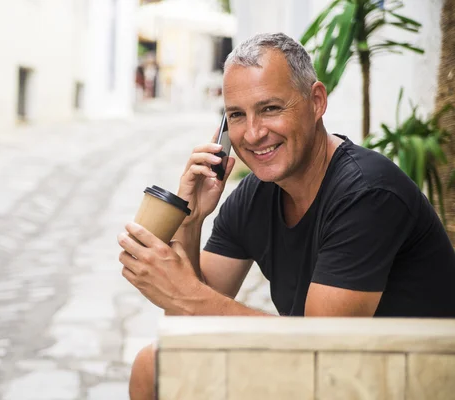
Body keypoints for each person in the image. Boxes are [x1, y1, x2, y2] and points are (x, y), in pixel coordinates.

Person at [117, 32, 455, 399]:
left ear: (316, 102)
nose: (253, 133)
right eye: (236, 116)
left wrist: (183, 290)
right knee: (154, 366)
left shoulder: (367, 194)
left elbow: (318, 349)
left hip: (409, 378)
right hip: (342, 373)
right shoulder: (255, 195)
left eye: (270, 108)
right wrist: (191, 220)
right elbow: (187, 327)